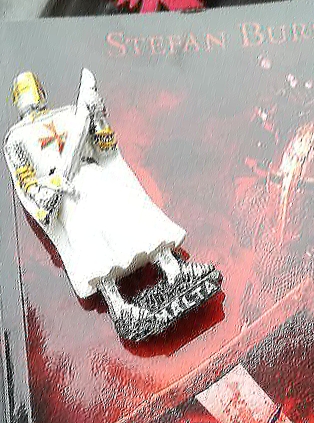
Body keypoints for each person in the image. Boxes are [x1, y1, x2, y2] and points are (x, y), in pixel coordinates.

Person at [4, 69, 221, 341]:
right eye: (24, 91)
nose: (30, 95)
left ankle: (174, 270)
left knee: (132, 213)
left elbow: (105, 148)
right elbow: (26, 183)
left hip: (94, 175)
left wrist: (97, 117)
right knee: (88, 240)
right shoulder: (16, 139)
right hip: (65, 195)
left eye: (31, 88)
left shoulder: (72, 114)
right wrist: (48, 192)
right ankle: (119, 305)